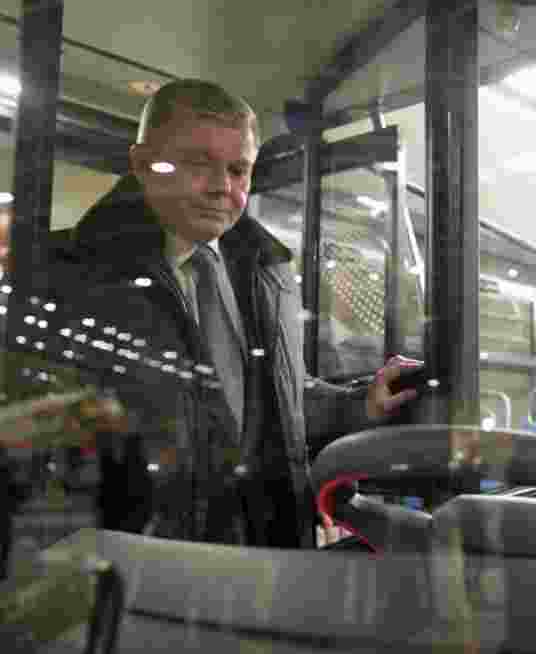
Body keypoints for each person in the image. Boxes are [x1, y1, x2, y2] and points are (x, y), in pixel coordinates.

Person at [29, 79, 418, 548]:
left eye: (238, 170)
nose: (222, 187)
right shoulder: (67, 278)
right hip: (142, 575)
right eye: (198, 163)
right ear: (141, 164)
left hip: (269, 556)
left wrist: (360, 404)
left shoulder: (268, 273)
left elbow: (277, 402)